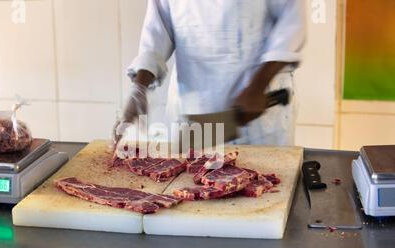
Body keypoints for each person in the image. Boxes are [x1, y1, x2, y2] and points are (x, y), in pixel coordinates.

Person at [114, 0, 306, 147]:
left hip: (255, 114)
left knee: (265, 191)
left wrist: (258, 86)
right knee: (189, 190)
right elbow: (158, 30)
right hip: (194, 112)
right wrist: (140, 87)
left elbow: (291, 25)